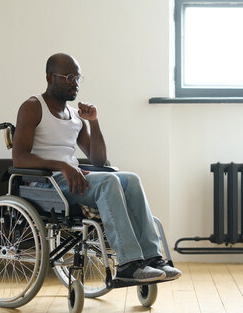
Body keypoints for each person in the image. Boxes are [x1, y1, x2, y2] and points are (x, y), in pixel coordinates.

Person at [12, 53, 181, 283]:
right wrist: (62, 165)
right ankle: (128, 263)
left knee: (131, 179)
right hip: (46, 182)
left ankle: (152, 257)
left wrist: (93, 121)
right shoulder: (33, 107)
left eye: (78, 78)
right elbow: (19, 158)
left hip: (72, 179)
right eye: (70, 77)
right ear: (50, 78)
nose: (76, 84)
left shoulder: (75, 116)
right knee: (109, 182)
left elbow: (99, 160)